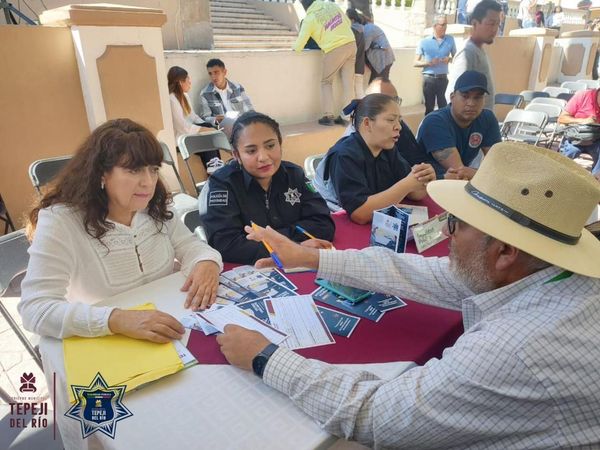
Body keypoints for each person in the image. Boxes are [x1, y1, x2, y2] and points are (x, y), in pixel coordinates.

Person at [217, 141, 600, 449]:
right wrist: (311, 257)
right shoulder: (547, 274)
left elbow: (376, 417)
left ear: (504, 252)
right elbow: (426, 272)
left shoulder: (511, 347)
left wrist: (265, 357)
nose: (447, 235)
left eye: (456, 224)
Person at [19, 119, 223, 342]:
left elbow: (191, 246)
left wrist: (206, 262)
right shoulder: (61, 221)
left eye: (153, 169)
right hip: (103, 342)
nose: (148, 182)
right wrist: (117, 320)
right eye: (134, 170)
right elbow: (35, 309)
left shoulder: (155, 207)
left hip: (169, 329)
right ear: (101, 174)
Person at [201, 112, 335, 264]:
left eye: (270, 145)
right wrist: (294, 247)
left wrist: (280, 242)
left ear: (280, 143)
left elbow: (323, 224)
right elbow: (226, 245)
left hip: (300, 264)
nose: (263, 157)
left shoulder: (294, 175)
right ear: (237, 155)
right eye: (251, 151)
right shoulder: (222, 185)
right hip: (252, 270)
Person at [313, 93, 436, 224]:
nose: (399, 127)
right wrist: (407, 184)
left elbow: (414, 194)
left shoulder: (388, 149)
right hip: (337, 223)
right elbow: (359, 214)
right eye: (390, 120)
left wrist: (423, 179)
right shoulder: (345, 155)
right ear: (367, 123)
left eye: (399, 120)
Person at [417, 70, 502, 180]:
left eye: (477, 97)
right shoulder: (435, 121)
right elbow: (459, 173)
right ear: (452, 97)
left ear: (484, 100)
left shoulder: (487, 118)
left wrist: (487, 175)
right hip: (427, 184)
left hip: (460, 183)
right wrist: (489, 176)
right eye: (465, 96)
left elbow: (497, 165)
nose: (471, 103)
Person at [293, 0, 357, 126]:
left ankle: (328, 116)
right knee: (348, 83)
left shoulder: (309, 18)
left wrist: (294, 48)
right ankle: (347, 116)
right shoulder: (332, 6)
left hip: (334, 48)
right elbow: (348, 22)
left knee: (326, 81)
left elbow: (299, 44)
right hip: (351, 44)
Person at [446, 0, 502, 112]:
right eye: (491, 23)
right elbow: (453, 95)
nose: (495, 29)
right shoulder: (467, 52)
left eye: (497, 24)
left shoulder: (478, 50)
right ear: (475, 23)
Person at [167, 66, 223, 175]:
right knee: (206, 138)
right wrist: (203, 130)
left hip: (189, 134)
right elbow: (182, 127)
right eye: (188, 81)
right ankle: (214, 169)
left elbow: (193, 117)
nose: (190, 83)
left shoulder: (185, 96)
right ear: (180, 82)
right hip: (180, 138)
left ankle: (216, 166)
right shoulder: (171, 99)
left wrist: (209, 126)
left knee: (208, 129)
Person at [415, 15, 457, 115]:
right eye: (442, 25)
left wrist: (449, 59)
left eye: (446, 24)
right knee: (429, 107)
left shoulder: (450, 39)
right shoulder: (424, 42)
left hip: (443, 78)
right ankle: (428, 129)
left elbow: (457, 57)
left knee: (443, 107)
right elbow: (415, 62)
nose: (445, 27)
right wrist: (429, 63)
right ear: (434, 26)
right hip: (428, 79)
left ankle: (442, 128)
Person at [198, 58, 254, 128]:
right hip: (223, 129)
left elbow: (249, 109)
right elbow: (204, 118)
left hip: (242, 127)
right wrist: (215, 120)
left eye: (216, 72)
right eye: (210, 73)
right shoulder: (205, 93)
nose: (213, 77)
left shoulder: (237, 88)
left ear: (224, 72)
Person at [558, 87, 600, 177]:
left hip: (596, 140)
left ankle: (595, 183)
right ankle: (558, 176)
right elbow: (561, 119)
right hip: (576, 138)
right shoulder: (583, 95)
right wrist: (583, 121)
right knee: (569, 153)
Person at [346, 8, 367, 98]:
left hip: (354, 65)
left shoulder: (353, 31)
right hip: (360, 65)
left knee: (358, 93)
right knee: (359, 91)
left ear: (352, 19)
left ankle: (365, 111)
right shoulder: (362, 30)